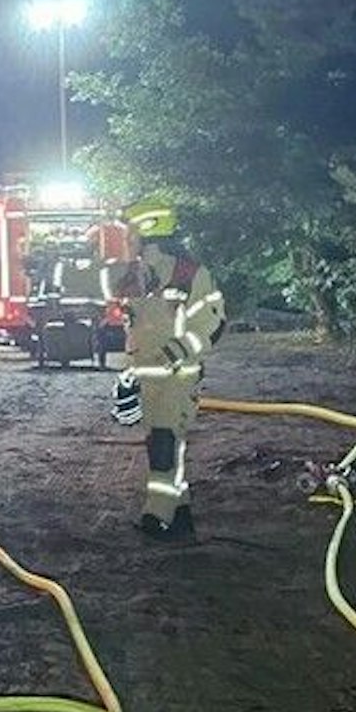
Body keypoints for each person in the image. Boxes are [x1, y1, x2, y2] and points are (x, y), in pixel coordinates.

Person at [109, 197, 226, 540]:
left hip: (179, 377)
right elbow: (102, 286)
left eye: (130, 233)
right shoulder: (138, 274)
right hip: (149, 379)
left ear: (148, 233)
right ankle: (182, 515)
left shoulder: (192, 275)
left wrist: (176, 352)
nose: (127, 240)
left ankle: (157, 517)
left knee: (164, 446)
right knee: (163, 446)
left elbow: (213, 324)